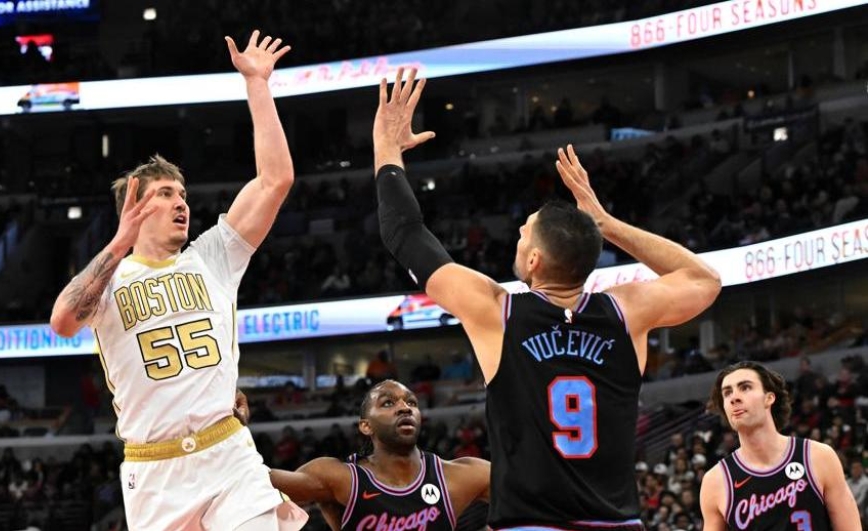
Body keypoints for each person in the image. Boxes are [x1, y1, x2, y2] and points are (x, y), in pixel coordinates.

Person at [372, 67, 721, 530]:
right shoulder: (626, 312)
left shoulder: (498, 312)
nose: (517, 238)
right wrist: (607, 223)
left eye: (523, 235)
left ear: (534, 260)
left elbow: (404, 232)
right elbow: (703, 279)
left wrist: (387, 149)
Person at [50, 30, 306, 531]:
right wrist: (118, 244)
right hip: (154, 469)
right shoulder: (108, 279)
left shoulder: (213, 255)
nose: (181, 202)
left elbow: (275, 181)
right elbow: (62, 321)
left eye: (182, 193)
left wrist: (257, 84)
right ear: (134, 207)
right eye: (166, 193)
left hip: (227, 454)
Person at [237, 380, 490, 531]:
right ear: (366, 426)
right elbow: (252, 483)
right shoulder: (340, 478)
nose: (404, 408)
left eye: (411, 403)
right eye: (388, 403)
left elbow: (517, 496)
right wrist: (230, 424)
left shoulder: (459, 475)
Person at [700, 361, 860, 530]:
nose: (734, 398)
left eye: (745, 387)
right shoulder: (715, 481)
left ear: (769, 398)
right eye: (727, 393)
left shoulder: (818, 456)